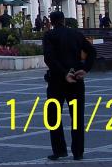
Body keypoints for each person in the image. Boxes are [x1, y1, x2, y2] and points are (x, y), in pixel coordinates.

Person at [42, 10, 97, 161]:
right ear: (64, 20)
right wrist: (85, 69)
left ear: (51, 22)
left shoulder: (49, 36)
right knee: (77, 117)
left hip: (57, 81)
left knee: (53, 116)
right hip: (76, 80)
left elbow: (49, 58)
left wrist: (63, 73)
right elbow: (92, 52)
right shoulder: (76, 34)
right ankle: (78, 152)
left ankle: (59, 150)